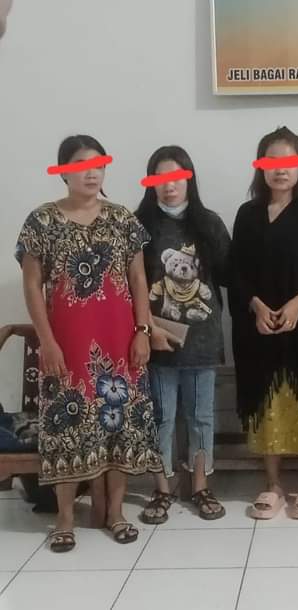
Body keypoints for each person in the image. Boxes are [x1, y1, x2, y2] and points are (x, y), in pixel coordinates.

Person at [15, 134, 162, 552]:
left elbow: (138, 279)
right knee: (66, 427)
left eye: (98, 165)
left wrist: (143, 331)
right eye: (81, 166)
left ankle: (115, 513)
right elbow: (32, 285)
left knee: (120, 427)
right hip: (67, 345)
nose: (92, 173)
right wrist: (47, 342)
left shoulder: (122, 220)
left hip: (120, 343)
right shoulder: (42, 221)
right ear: (64, 171)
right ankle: (64, 519)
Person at [229, 127, 298, 520]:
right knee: (267, 402)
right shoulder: (247, 215)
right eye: (272, 161)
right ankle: (273, 484)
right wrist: (257, 307)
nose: (280, 169)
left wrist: (297, 304)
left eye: (289, 161)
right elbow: (236, 271)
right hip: (259, 327)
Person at [137, 145, 230, 524]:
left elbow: (229, 274)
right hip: (157, 340)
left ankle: (200, 486)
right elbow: (131, 287)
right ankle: (162, 489)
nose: (169, 185)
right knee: (161, 417)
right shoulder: (139, 226)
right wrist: (147, 329)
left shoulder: (209, 223)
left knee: (201, 417)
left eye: (176, 176)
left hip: (202, 341)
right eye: (161, 178)